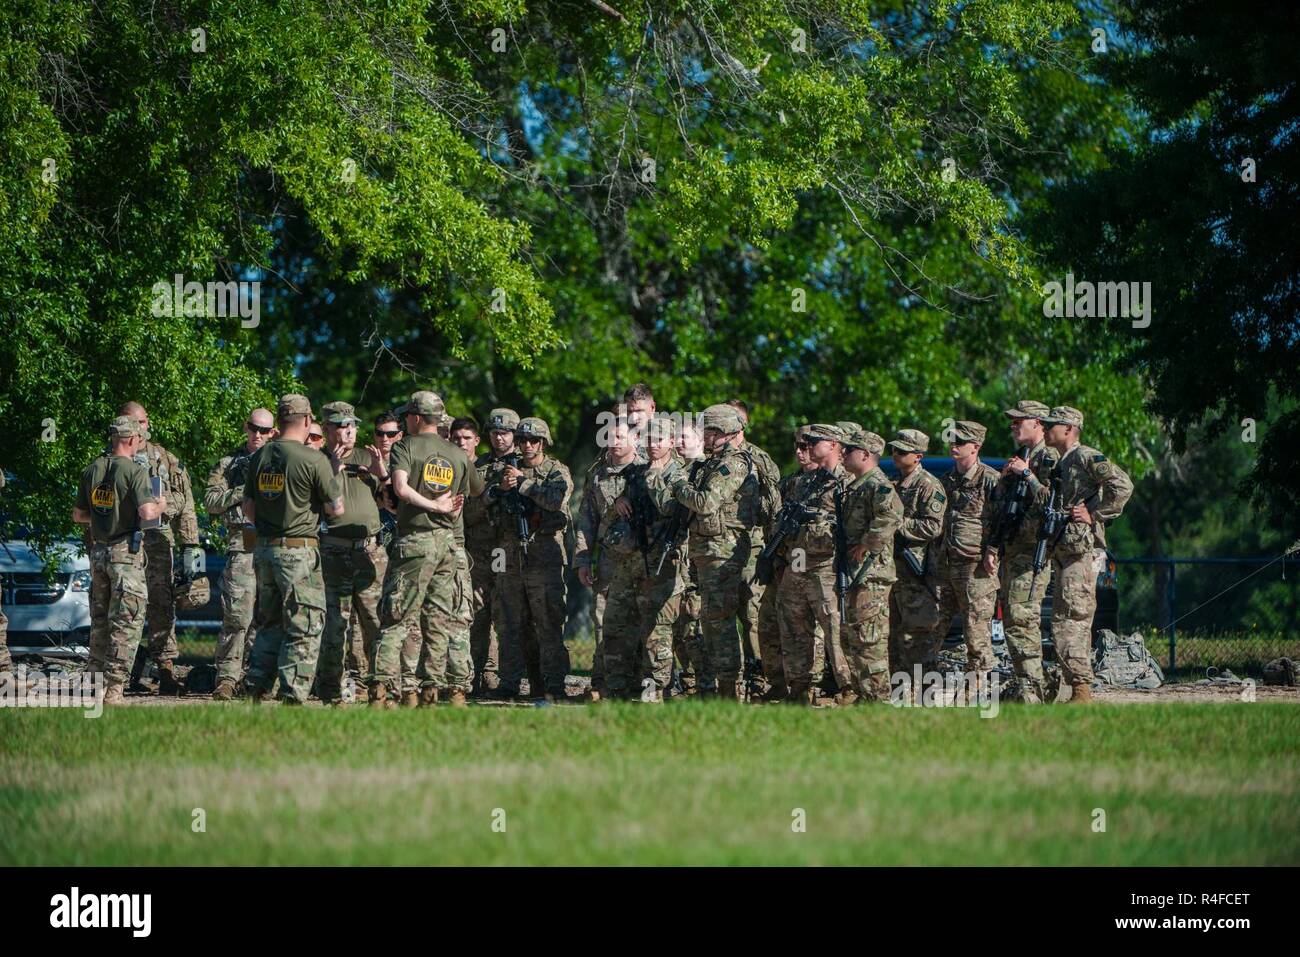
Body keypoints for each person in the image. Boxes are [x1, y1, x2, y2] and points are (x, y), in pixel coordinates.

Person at [369, 391, 477, 708]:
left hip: (415, 540)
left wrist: (429, 504)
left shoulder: (405, 446)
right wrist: (444, 506)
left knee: (397, 618)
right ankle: (433, 692)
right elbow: (467, 496)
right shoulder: (457, 454)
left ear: (416, 418)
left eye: (407, 418)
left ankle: (380, 692)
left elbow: (400, 488)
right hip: (447, 544)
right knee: (438, 621)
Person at [241, 395, 345, 704]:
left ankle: (256, 688)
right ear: (307, 419)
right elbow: (336, 508)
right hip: (298, 552)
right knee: (305, 623)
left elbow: (248, 507)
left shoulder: (261, 456)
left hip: (264, 550)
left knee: (270, 622)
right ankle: (292, 694)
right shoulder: (312, 459)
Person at [1038, 406, 1133, 704]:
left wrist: (1095, 514)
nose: (1047, 428)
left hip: (1082, 552)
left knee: (1073, 618)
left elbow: (1122, 486)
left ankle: (1081, 689)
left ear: (1069, 429)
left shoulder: (1086, 456)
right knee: (1062, 618)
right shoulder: (1060, 461)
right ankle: (1072, 687)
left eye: (1053, 424)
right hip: (1065, 550)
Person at [663, 404, 754, 700]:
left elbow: (705, 502)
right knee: (709, 620)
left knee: (720, 620)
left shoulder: (734, 463)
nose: (703, 436)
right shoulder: (712, 462)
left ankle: (729, 688)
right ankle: (715, 685)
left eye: (708, 431)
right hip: (706, 551)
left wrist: (677, 483)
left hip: (722, 553)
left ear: (723, 433)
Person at [72, 416, 165, 704]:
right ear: (131, 440)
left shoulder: (92, 470)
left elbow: (78, 516)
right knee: (126, 622)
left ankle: (94, 684)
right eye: (139, 438)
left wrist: (103, 519)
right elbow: (148, 513)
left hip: (98, 553)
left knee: (100, 622)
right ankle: (114, 689)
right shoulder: (135, 472)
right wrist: (160, 503)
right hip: (125, 554)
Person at [117, 401, 200, 695]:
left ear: (147, 423)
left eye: (139, 423)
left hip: (158, 541)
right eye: (129, 423)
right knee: (125, 606)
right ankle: (121, 670)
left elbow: (185, 502)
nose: (136, 430)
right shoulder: (112, 459)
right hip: (122, 543)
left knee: (161, 604)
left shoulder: (164, 459)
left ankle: (165, 668)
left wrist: (192, 548)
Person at [490, 416, 573, 701]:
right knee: (510, 622)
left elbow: (555, 500)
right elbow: (484, 502)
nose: (527, 445)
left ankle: (554, 684)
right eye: (523, 440)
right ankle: (509, 683)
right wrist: (500, 489)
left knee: (548, 623)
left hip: (544, 556)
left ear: (543, 443)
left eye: (533, 441)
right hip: (509, 556)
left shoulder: (555, 470)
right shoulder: (504, 469)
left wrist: (523, 484)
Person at [981, 400, 1059, 703]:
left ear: (1037, 423)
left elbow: (1051, 503)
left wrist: (1028, 475)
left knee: (1022, 618)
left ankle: (1032, 687)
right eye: (1012, 422)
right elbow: (1003, 510)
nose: (1013, 427)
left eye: (1019, 421)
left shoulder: (1048, 458)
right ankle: (1028, 683)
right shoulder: (1021, 458)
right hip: (1013, 550)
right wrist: (993, 546)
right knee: (1014, 619)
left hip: (1033, 550)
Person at [315, 401, 387, 706]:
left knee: (376, 624)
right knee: (335, 627)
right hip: (333, 552)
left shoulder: (366, 457)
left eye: (353, 425)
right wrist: (332, 464)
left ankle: (381, 691)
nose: (349, 432)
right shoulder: (315, 460)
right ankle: (331, 693)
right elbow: (314, 496)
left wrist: (381, 470)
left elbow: (391, 499)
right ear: (328, 429)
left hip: (369, 552)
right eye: (342, 426)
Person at [776, 423, 852, 705]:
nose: (804, 449)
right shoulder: (803, 481)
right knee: (793, 626)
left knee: (835, 629)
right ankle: (799, 689)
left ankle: (849, 688)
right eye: (802, 443)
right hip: (797, 561)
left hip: (827, 566)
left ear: (833, 445)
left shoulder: (847, 481)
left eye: (812, 443)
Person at [205, 408, 276, 700]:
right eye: (253, 428)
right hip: (242, 546)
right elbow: (210, 501)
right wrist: (242, 490)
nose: (257, 435)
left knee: (268, 617)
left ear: (273, 433)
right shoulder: (228, 464)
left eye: (264, 430)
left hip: (274, 546)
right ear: (246, 427)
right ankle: (227, 678)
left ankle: (258, 678)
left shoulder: (281, 462)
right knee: (237, 616)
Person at [923, 421, 1001, 681]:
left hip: (975, 567)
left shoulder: (990, 480)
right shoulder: (947, 480)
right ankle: (924, 679)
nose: (953, 446)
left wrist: (993, 551)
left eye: (960, 442)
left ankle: (978, 685)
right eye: (952, 441)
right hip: (945, 564)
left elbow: (1002, 522)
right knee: (933, 625)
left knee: (975, 629)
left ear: (976, 447)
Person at [574, 414, 641, 699]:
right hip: (607, 559)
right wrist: (582, 558)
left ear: (634, 439)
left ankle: (640, 683)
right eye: (610, 436)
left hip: (640, 560)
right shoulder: (597, 473)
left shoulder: (647, 470)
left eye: (619, 436)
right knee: (603, 621)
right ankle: (602, 684)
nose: (613, 442)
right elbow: (586, 518)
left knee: (639, 622)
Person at [754, 424, 818, 702]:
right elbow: (773, 520)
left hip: (811, 567)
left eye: (805, 446)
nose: (799, 452)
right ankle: (777, 681)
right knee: (768, 623)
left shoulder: (830, 483)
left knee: (807, 630)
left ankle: (809, 685)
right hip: (783, 564)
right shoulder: (791, 482)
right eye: (796, 446)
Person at [839, 428, 904, 702]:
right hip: (856, 574)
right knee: (855, 640)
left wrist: (866, 544)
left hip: (871, 574)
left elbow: (891, 516)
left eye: (849, 450)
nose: (843, 453)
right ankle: (865, 696)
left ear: (865, 455)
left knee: (870, 642)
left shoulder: (877, 484)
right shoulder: (858, 485)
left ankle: (879, 700)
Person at [724, 399, 781, 697]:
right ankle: (728, 676)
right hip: (720, 547)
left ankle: (759, 674)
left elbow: (774, 506)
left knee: (752, 613)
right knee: (720, 610)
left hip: (752, 545)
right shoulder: (712, 459)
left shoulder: (758, 458)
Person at [463, 409, 519, 695]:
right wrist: (490, 495)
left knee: (508, 616)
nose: (500, 437)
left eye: (506, 432)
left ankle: (505, 678)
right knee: (478, 615)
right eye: (495, 432)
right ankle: (474, 676)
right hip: (482, 550)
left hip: (514, 552)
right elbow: (466, 510)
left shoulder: (528, 464)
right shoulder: (478, 467)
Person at [887, 429, 946, 678]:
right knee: (893, 633)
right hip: (894, 570)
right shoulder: (893, 483)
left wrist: (897, 524)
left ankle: (925, 688)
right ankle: (898, 687)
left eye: (902, 451)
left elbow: (933, 526)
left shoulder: (928, 485)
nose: (896, 455)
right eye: (894, 450)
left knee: (918, 634)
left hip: (917, 571)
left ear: (918, 456)